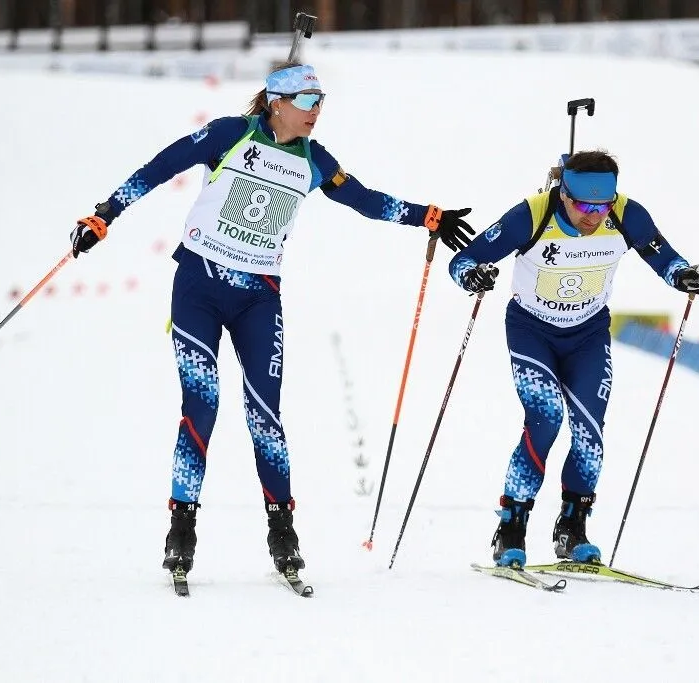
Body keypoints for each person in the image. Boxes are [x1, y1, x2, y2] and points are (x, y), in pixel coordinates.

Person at [68, 62, 476, 579]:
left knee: (265, 415)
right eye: (306, 102)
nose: (315, 112)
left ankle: (282, 531)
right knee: (202, 405)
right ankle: (182, 528)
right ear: (276, 102)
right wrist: (106, 212)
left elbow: (365, 200)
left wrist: (427, 216)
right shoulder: (229, 134)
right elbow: (161, 166)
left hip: (258, 298)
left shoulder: (314, 160)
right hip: (198, 287)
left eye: (321, 102)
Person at [446, 150, 699, 568]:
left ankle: (573, 527)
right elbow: (463, 260)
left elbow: (665, 258)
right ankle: (512, 526)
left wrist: (684, 275)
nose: (595, 216)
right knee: (546, 417)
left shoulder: (626, 214)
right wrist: (471, 276)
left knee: (590, 435)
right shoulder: (532, 215)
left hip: (588, 335)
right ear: (564, 196)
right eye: (586, 207)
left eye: (603, 206)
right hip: (532, 331)